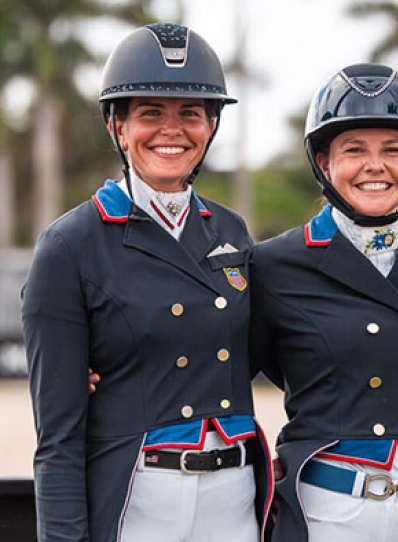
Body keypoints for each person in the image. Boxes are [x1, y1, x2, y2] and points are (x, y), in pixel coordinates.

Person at [22, 23, 271, 542]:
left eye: (191, 114)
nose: (172, 130)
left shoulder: (230, 230)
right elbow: (58, 441)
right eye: (150, 112)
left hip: (235, 496)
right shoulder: (69, 245)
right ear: (117, 126)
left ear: (211, 126)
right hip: (141, 497)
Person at [249, 63, 398, 542]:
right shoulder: (274, 265)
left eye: (392, 150)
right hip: (330, 512)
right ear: (324, 163)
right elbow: (222, 360)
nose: (374, 166)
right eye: (354, 150)